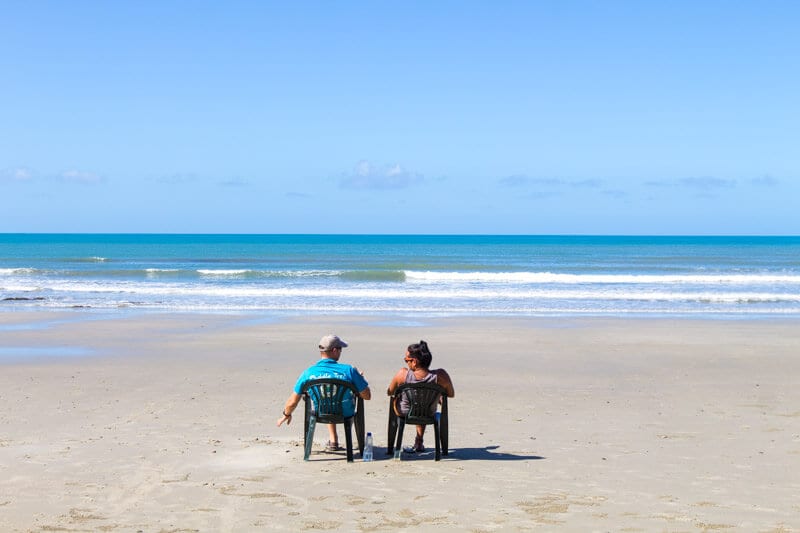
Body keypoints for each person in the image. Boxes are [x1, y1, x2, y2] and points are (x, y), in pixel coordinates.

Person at [276, 334, 371, 452]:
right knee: (339, 397)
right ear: (335, 350)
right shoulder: (349, 370)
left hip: (320, 412)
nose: (341, 352)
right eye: (340, 349)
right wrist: (361, 380)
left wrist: (286, 415)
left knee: (325, 397)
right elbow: (367, 396)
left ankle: (333, 440)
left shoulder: (308, 373)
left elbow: (293, 401)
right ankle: (336, 439)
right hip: (345, 413)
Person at [386, 340, 454, 452]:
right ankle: (419, 441)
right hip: (428, 412)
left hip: (405, 412)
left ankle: (392, 446)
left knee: (404, 400)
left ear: (414, 362)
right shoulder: (440, 376)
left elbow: (390, 392)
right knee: (424, 402)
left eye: (406, 360)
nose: (406, 363)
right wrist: (436, 395)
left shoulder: (403, 374)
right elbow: (451, 394)